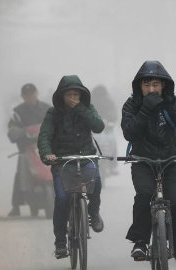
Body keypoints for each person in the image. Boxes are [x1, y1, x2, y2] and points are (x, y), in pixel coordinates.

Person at [121, 60, 176, 262]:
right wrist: (145, 110)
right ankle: (140, 243)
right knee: (144, 195)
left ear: (163, 85)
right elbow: (129, 133)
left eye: (155, 85)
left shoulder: (172, 103)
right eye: (146, 85)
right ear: (139, 86)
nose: (151, 89)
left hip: (171, 160)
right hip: (142, 162)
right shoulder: (131, 105)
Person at [37, 75, 105, 259]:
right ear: (62, 96)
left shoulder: (88, 109)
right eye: (69, 95)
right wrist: (47, 154)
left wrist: (81, 109)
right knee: (62, 198)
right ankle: (60, 242)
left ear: (82, 96)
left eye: (77, 94)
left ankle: (94, 213)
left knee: (96, 183)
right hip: (61, 162)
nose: (73, 98)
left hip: (86, 158)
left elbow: (99, 126)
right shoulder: (53, 113)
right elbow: (44, 136)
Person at [7, 83, 50, 216]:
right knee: (21, 170)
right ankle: (16, 206)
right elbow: (12, 130)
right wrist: (21, 132)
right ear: (22, 96)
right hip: (27, 149)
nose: (29, 97)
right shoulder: (17, 112)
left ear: (36, 93)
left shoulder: (47, 108)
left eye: (32, 94)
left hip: (48, 147)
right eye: (26, 95)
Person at [91, 85, 118, 179]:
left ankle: (113, 165)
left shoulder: (109, 101)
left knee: (113, 144)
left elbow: (114, 114)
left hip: (107, 129)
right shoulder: (90, 101)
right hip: (93, 130)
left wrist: (110, 121)